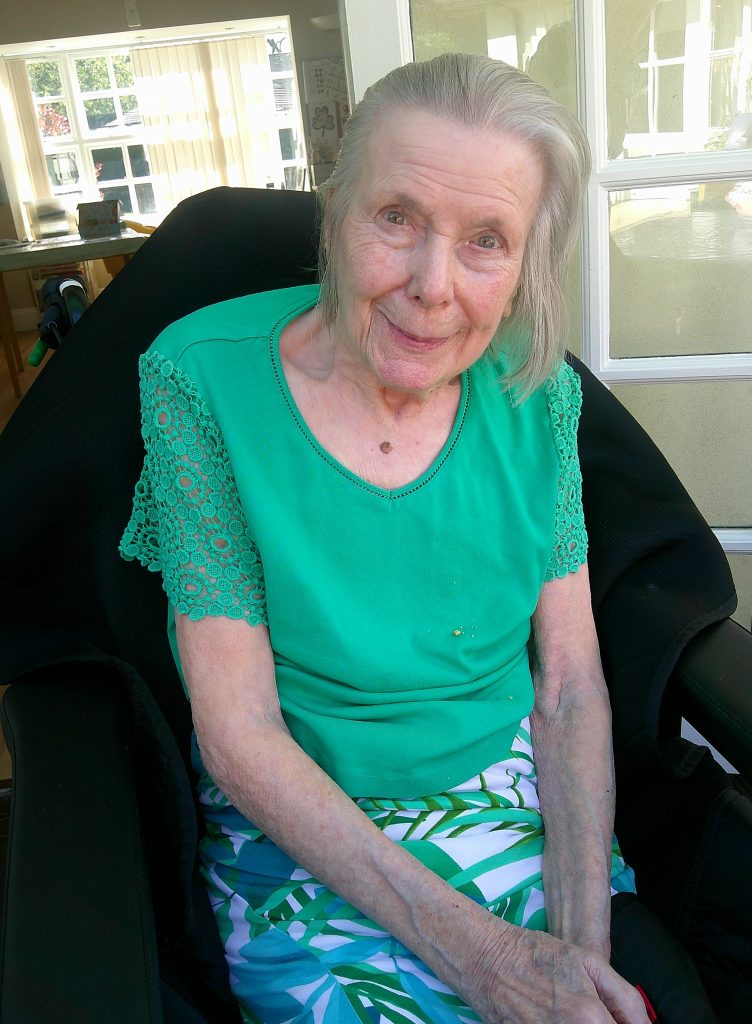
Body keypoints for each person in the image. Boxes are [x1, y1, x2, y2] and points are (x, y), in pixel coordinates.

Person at [119, 54, 649, 1024]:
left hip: (513, 806)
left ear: (525, 261)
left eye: (487, 239)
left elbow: (569, 681)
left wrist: (577, 948)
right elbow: (238, 735)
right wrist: (490, 961)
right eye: (397, 218)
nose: (431, 285)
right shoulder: (199, 381)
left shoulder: (541, 398)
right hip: (305, 834)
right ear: (336, 213)